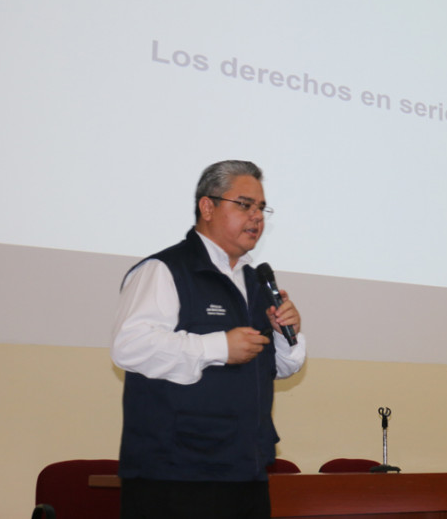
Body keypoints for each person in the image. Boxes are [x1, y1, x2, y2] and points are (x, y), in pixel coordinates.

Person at [111, 160, 306, 519]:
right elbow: (130, 346)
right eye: (245, 204)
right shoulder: (164, 270)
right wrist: (218, 347)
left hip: (246, 470)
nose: (257, 217)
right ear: (207, 207)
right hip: (177, 475)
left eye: (262, 208)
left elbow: (280, 369)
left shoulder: (256, 283)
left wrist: (284, 337)